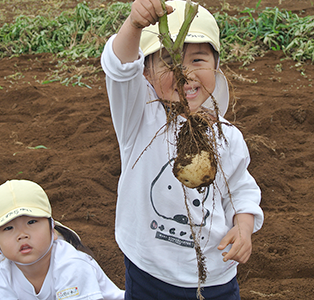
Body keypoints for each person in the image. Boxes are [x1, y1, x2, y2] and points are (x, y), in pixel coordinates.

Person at [100, 0, 264, 299]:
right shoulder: (139, 119)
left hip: (216, 275)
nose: (185, 73)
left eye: (198, 60)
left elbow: (241, 189)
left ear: (216, 67)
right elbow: (119, 69)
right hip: (149, 272)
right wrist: (134, 25)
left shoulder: (229, 136)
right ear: (146, 74)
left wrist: (243, 227)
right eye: (168, 61)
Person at [0, 179, 125, 300]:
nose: (22, 235)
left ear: (52, 230)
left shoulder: (70, 264)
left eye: (31, 222)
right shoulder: (6, 274)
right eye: (8, 228)